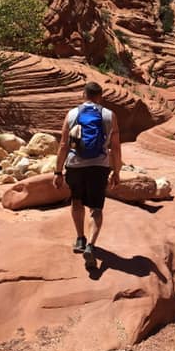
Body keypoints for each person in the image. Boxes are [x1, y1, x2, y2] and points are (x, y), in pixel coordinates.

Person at [54, 81, 121, 265]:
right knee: (96, 208)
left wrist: (58, 171)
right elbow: (115, 147)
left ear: (84, 95)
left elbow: (63, 145)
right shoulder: (109, 115)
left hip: (75, 165)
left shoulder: (72, 114)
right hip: (99, 166)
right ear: (100, 96)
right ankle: (91, 245)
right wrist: (116, 171)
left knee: (76, 201)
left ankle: (80, 238)